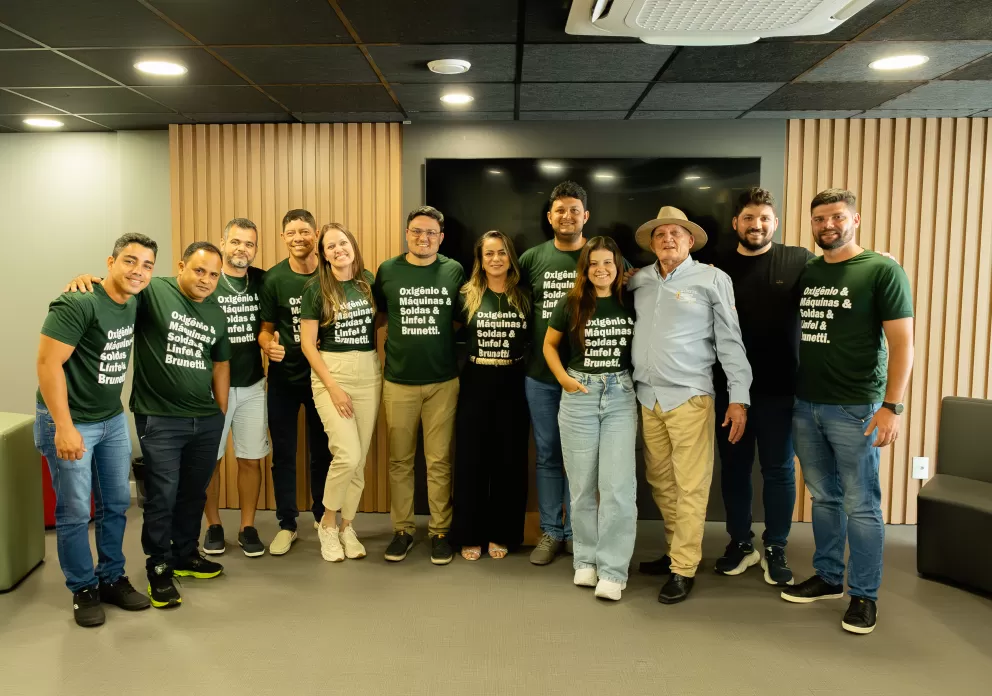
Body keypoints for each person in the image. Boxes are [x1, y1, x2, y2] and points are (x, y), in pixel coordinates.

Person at [67, 241, 232, 609]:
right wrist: (87, 281)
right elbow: (116, 291)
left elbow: (221, 364)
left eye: (214, 274)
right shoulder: (154, 290)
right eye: (199, 270)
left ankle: (185, 555)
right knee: (162, 496)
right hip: (159, 416)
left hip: (205, 419)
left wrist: (219, 411)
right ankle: (158, 566)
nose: (206, 279)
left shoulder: (217, 313)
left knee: (194, 491)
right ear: (181, 266)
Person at [781, 189, 914, 636]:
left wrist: (892, 407)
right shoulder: (809, 270)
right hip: (807, 405)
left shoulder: (882, 270)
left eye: (837, 217)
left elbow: (902, 344)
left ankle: (864, 595)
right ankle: (829, 577)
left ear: (856, 219)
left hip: (857, 407)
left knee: (861, 505)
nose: (827, 226)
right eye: (819, 219)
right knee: (824, 497)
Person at [628, 206, 751, 605]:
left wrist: (739, 398)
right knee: (661, 483)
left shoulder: (713, 278)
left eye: (676, 234)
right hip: (648, 397)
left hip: (690, 399)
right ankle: (674, 551)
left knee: (690, 486)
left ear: (690, 241)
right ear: (651, 243)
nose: (668, 240)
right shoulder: (640, 280)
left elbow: (731, 342)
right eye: (660, 234)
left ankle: (683, 567)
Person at [35, 233, 157, 627]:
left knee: (116, 504)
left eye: (147, 265)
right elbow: (47, 365)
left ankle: (110, 578)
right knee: (74, 510)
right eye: (130, 261)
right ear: (111, 261)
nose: (138, 271)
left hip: (110, 419)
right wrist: (64, 426)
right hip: (71, 421)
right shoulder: (76, 302)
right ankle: (82, 587)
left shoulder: (134, 301)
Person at [709, 188, 814, 585]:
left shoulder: (798, 260)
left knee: (779, 470)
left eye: (765, 218)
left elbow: (840, 272)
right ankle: (740, 543)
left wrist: (876, 260)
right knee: (734, 470)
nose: (757, 225)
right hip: (729, 391)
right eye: (749, 218)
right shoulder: (714, 263)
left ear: (776, 222)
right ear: (736, 223)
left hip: (780, 390)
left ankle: (776, 546)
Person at [544, 236, 636, 602]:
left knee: (617, 487)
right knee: (582, 486)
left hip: (620, 396)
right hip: (579, 396)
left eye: (608, 263)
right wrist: (564, 378)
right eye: (594, 263)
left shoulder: (632, 299)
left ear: (619, 267)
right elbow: (549, 345)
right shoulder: (571, 303)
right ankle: (585, 559)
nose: (601, 269)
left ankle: (613, 569)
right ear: (585, 268)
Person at [373, 205, 465, 565]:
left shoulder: (453, 270)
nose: (423, 238)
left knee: (440, 460)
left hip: (443, 381)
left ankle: (440, 531)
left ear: (440, 238)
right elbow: (380, 317)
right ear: (407, 234)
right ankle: (403, 530)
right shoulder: (388, 270)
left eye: (430, 233)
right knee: (400, 460)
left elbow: (459, 319)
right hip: (398, 382)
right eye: (416, 231)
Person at [518, 180, 588, 565]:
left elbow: (636, 284)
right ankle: (551, 531)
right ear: (549, 217)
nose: (567, 216)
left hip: (586, 378)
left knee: (579, 457)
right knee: (546, 454)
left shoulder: (600, 256)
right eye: (560, 210)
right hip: (540, 376)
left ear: (585, 216)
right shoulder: (532, 259)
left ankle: (578, 531)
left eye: (574, 210)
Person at [300, 223, 380, 563]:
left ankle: (348, 526)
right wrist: (333, 387)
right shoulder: (316, 288)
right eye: (330, 246)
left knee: (359, 460)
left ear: (353, 246)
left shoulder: (368, 282)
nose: (338, 250)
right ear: (323, 254)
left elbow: (382, 322)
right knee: (346, 453)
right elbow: (307, 343)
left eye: (342, 243)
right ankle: (327, 523)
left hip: (369, 371)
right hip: (333, 372)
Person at [451, 230, 531, 562]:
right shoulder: (466, 294)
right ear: (480, 260)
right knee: (472, 460)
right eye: (488, 254)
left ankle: (503, 532)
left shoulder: (524, 296)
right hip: (475, 379)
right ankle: (470, 533)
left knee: (509, 460)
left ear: (510, 257)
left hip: (513, 381)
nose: (495, 259)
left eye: (501, 253)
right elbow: (449, 337)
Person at [258, 209, 332, 556]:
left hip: (323, 379)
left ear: (316, 233)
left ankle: (322, 517)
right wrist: (268, 346)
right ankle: (287, 524)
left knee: (323, 454)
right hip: (284, 380)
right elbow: (266, 329)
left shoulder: (332, 273)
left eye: (305, 231)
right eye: (291, 232)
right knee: (284, 455)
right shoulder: (273, 279)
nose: (299, 237)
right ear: (283, 237)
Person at [202, 218, 271, 558]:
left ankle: (247, 526)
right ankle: (213, 524)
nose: (242, 249)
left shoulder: (262, 280)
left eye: (250, 244)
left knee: (250, 459)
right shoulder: (207, 278)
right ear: (223, 242)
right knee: (209, 461)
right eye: (237, 242)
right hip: (211, 389)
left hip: (253, 384)